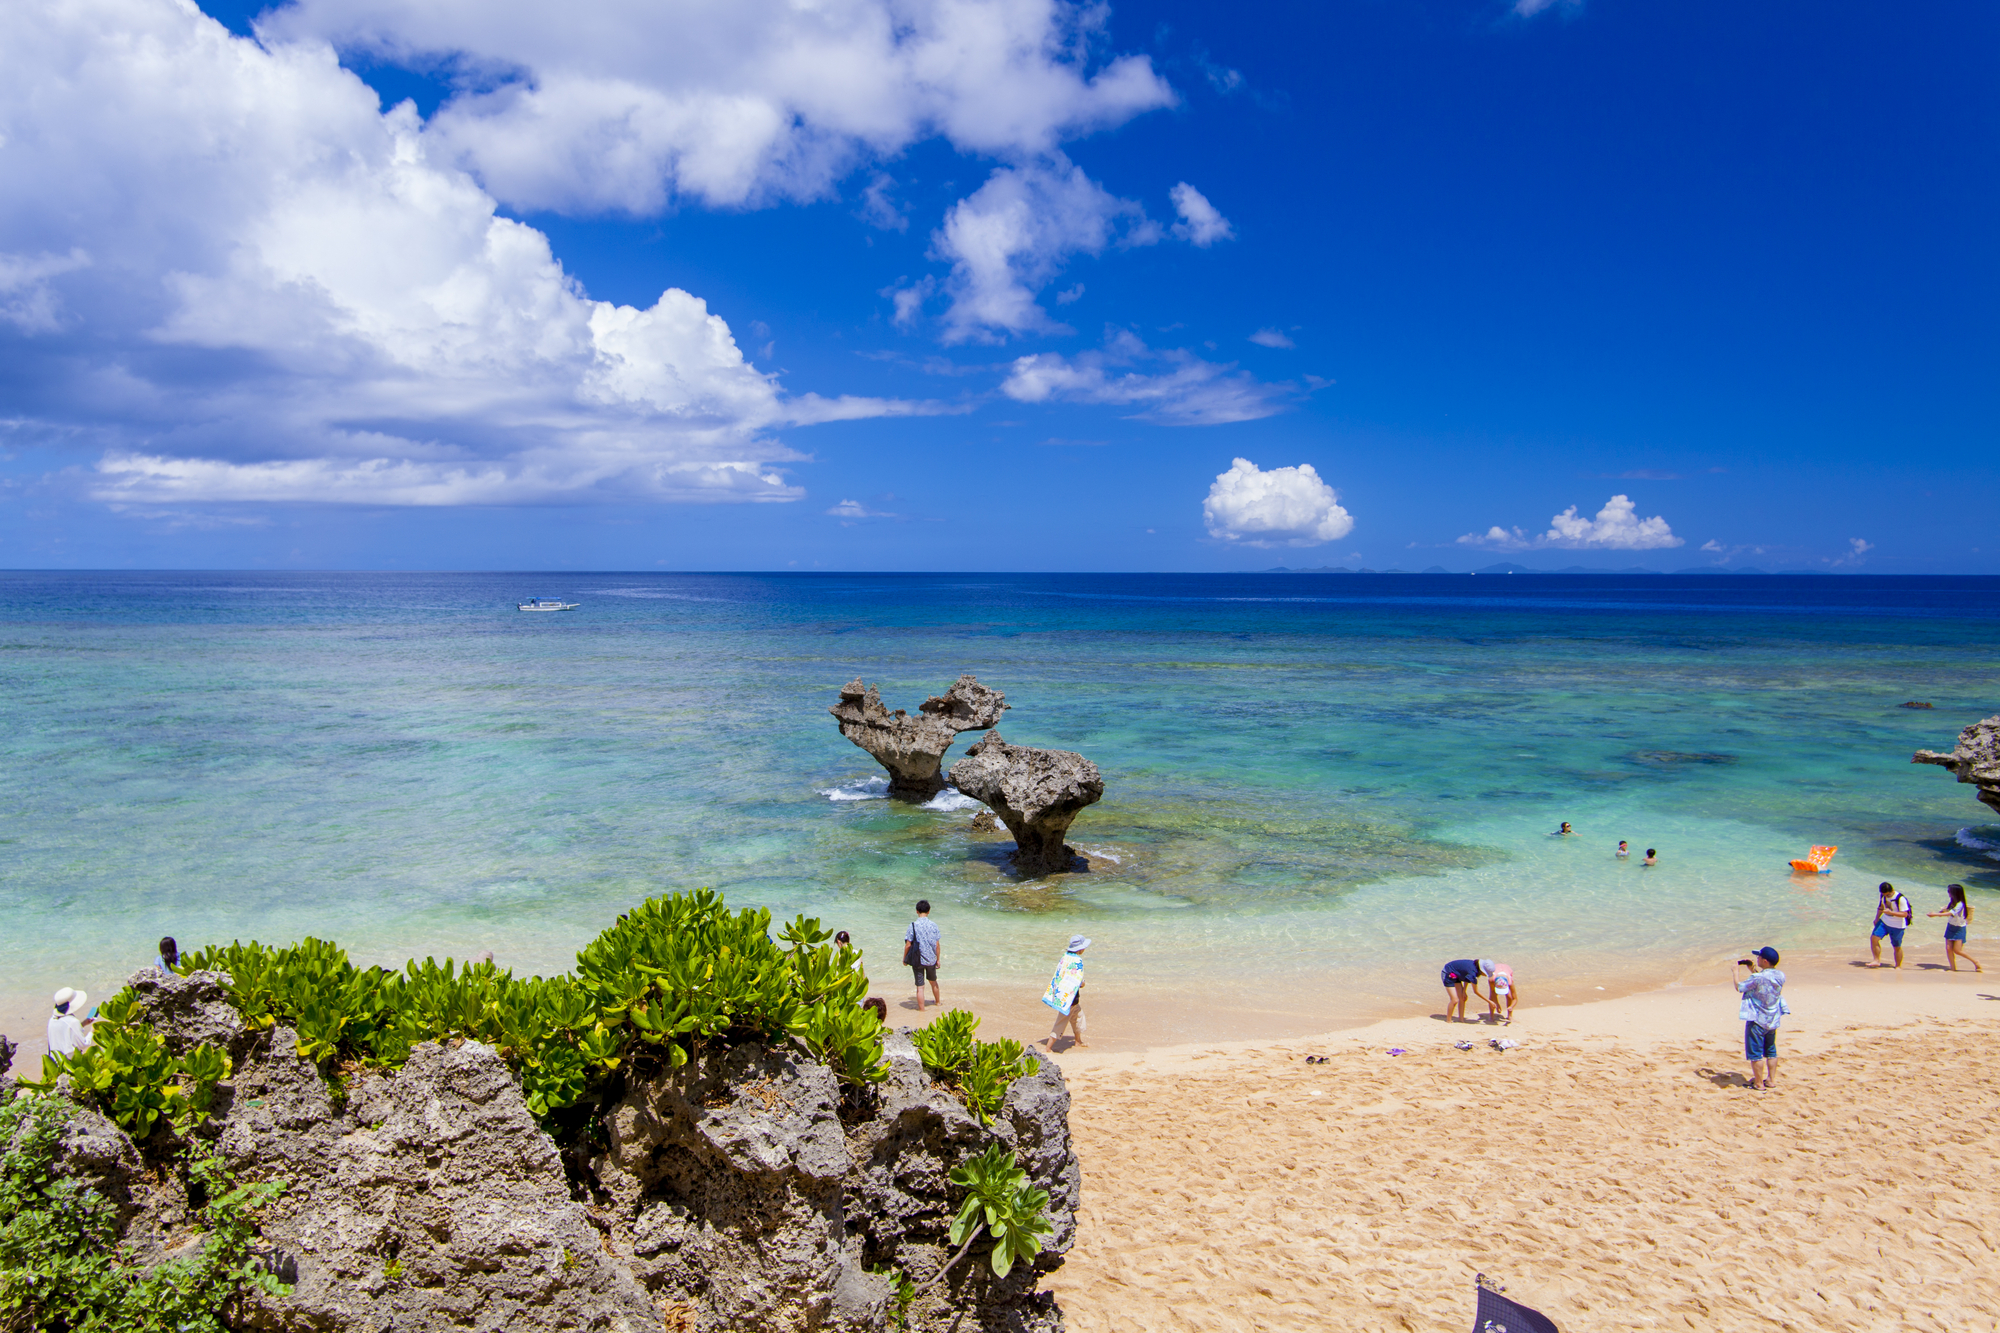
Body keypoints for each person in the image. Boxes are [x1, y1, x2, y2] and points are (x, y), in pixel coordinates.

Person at [1734, 947, 1786, 1090]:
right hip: (1772, 1019)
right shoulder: (1780, 975)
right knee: (1771, 1051)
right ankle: (1770, 1080)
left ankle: (1758, 1083)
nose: (1757, 959)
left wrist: (1735, 972)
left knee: (1755, 1054)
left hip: (1757, 1020)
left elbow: (1740, 987)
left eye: (1759, 957)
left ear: (1764, 960)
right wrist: (1753, 971)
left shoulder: (1758, 978)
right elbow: (1764, 984)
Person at [1040, 935, 1090, 1050]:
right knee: (1061, 1022)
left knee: (1078, 1016)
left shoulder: (1065, 956)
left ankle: (1078, 1041)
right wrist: (1082, 984)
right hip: (1069, 998)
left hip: (1066, 996)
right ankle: (1048, 1047)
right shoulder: (1077, 960)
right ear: (1080, 949)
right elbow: (1077, 979)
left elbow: (1063, 974)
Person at [1928, 884, 1982, 972]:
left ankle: (1975, 962)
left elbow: (1951, 913)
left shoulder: (1960, 904)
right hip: (1950, 926)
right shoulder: (1952, 902)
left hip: (1959, 928)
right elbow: (1948, 911)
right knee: (1949, 948)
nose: (1948, 893)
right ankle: (1953, 968)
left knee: (1957, 950)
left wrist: (1935, 914)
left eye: (1949, 891)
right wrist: (1941, 912)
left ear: (1955, 893)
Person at [904, 901, 942, 1012]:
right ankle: (938, 1002)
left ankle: (922, 1010)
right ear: (929, 911)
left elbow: (908, 945)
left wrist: (904, 958)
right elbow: (937, 945)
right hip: (931, 959)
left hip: (917, 959)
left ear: (917, 911)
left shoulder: (913, 926)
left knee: (920, 987)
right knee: (933, 981)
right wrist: (938, 959)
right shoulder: (933, 925)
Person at [1870, 881, 1912, 968]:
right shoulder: (1883, 896)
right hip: (1884, 921)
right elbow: (1881, 907)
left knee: (1897, 946)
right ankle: (1876, 960)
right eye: (1885, 895)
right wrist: (1877, 918)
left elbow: (1905, 914)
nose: (1886, 896)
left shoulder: (1900, 899)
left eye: (1888, 895)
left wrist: (1891, 912)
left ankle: (1898, 966)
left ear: (1892, 890)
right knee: (1874, 938)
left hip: (1898, 926)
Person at [47, 988, 92, 1056]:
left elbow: (65, 1030)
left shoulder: (52, 1019)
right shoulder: (73, 1021)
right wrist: (92, 1031)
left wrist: (84, 1023)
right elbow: (83, 1044)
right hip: (69, 1062)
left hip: (55, 1061)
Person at [1475, 959, 1520, 1024]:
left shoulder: (1510, 982)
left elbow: (1515, 998)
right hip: (1496, 970)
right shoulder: (1491, 980)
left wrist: (1511, 1007)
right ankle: (1491, 1016)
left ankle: (1510, 1016)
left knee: (1509, 996)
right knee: (1492, 997)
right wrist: (1497, 1004)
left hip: (1506, 969)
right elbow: (1492, 993)